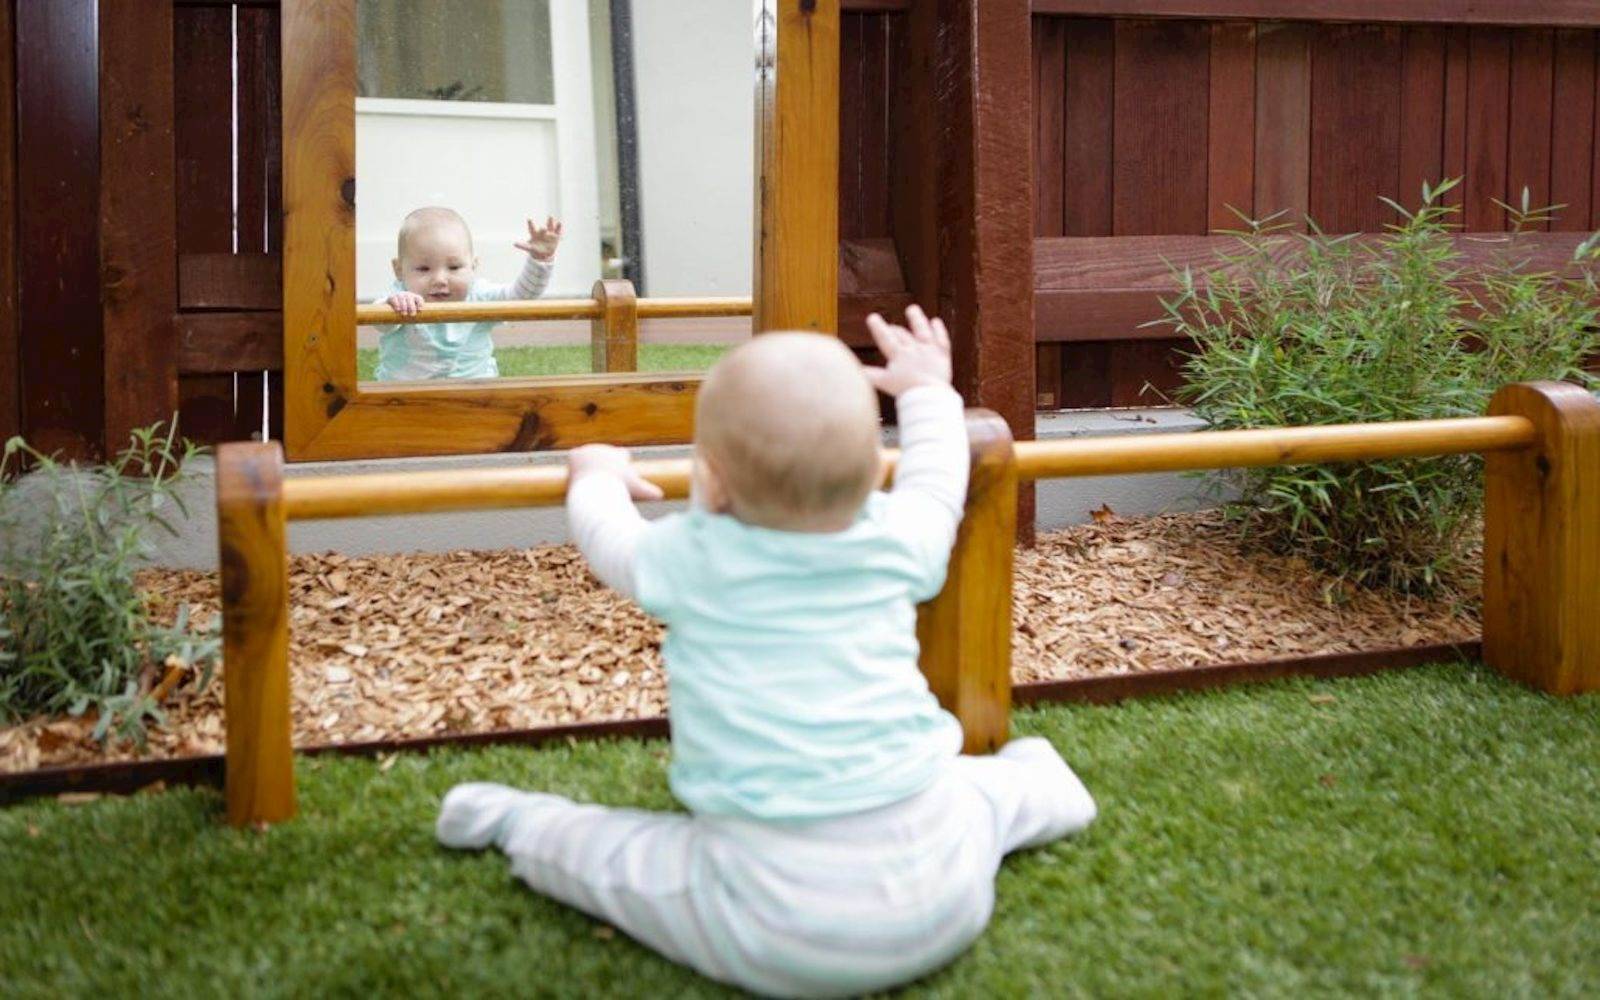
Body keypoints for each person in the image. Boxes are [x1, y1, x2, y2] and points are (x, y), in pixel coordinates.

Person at [436, 306, 1097, 997]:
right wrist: (929, 391)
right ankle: (1048, 788)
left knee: (613, 857)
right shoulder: (900, 536)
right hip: (947, 884)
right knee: (971, 792)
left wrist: (596, 475)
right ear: (875, 469)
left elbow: (610, 540)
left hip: (775, 924)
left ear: (712, 481)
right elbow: (937, 481)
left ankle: (513, 821)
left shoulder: (696, 557)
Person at [372, 207, 562, 381]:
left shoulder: (480, 295)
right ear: (399, 269)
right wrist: (393, 305)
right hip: (405, 400)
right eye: (423, 268)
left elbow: (521, 298)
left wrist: (540, 261)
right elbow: (379, 321)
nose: (439, 279)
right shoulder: (401, 297)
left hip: (475, 397)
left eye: (454, 267)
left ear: (473, 266)